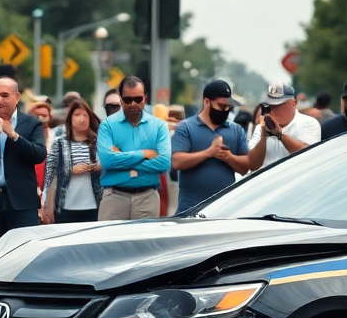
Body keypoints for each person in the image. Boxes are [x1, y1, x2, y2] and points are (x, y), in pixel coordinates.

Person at [0, 76, 48, 256]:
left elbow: (39, 154)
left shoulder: (31, 124)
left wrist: (14, 135)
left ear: (17, 97)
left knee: (24, 255)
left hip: (22, 202)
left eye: (4, 95)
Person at [96, 76, 171, 221]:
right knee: (110, 243)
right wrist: (142, 154)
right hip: (114, 198)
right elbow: (107, 161)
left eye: (138, 99)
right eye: (127, 99)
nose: (132, 104)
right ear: (121, 99)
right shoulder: (107, 126)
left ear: (145, 98)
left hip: (147, 198)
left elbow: (164, 163)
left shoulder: (159, 126)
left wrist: (121, 157)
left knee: (145, 243)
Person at [171, 80, 251, 212]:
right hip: (191, 208)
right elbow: (177, 161)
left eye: (228, 107)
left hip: (225, 209)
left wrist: (228, 157)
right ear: (207, 102)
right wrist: (209, 152)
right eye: (221, 106)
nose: (225, 111)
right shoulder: (186, 128)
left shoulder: (236, 130)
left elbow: (245, 166)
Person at [41, 98, 102, 224]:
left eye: (85, 115)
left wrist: (96, 166)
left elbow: (107, 164)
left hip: (94, 205)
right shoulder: (59, 143)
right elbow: (50, 174)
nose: (82, 119)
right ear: (70, 118)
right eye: (77, 115)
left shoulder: (98, 142)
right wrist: (70, 170)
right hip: (65, 206)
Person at [247, 83, 323, 170]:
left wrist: (280, 135)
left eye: (277, 105)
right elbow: (251, 165)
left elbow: (309, 155)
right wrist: (263, 138)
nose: (272, 110)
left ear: (293, 103)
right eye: (269, 105)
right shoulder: (261, 127)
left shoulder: (309, 123)